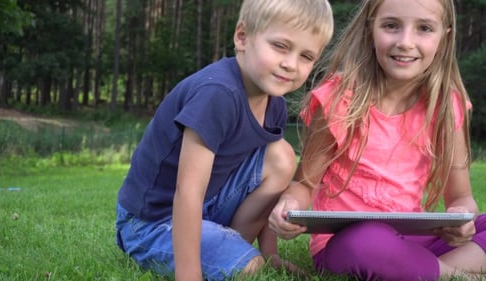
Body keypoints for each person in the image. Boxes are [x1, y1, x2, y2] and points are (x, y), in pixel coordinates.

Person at [114, 1, 334, 280]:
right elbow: (188, 192)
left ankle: (234, 246)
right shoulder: (217, 94)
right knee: (248, 269)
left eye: (306, 56)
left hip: (207, 206)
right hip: (151, 222)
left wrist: (271, 253)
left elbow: (266, 184)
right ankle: (228, 253)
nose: (291, 64)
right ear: (242, 37)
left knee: (282, 156)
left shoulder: (274, 105)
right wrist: (189, 275)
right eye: (280, 46)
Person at [269, 0, 486, 280]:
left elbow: (462, 198)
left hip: (413, 240)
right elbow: (304, 184)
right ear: (370, 30)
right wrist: (290, 205)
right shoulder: (338, 100)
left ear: (444, 38)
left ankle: (417, 267)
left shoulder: (446, 105)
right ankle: (456, 274)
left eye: (424, 28)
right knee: (368, 243)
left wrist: (461, 220)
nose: (406, 42)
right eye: (391, 26)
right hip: (348, 244)